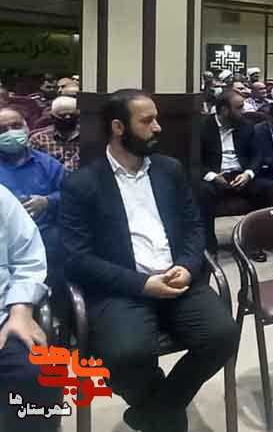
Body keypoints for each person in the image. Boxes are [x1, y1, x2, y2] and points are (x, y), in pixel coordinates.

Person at [60, 89, 239, 432]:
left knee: (223, 336)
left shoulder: (169, 169)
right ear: (118, 127)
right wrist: (142, 284)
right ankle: (164, 414)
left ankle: (156, 412)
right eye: (147, 121)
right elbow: (77, 259)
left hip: (177, 278)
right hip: (123, 288)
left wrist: (187, 266)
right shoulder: (82, 184)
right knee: (124, 356)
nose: (158, 127)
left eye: (156, 119)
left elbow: (194, 228)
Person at [0, 184, 61, 432]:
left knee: (39, 374)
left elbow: (28, 259)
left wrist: (21, 311)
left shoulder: (1, 198)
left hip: (4, 321)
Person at [195, 91, 272, 252]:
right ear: (224, 110)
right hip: (215, 176)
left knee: (271, 188)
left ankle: (256, 242)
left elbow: (257, 155)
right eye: (239, 107)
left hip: (240, 175)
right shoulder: (201, 126)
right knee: (202, 192)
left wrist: (248, 174)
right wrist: (212, 176)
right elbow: (193, 160)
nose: (243, 111)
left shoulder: (246, 125)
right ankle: (209, 246)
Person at [0, 108, 65, 275]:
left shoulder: (47, 164)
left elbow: (71, 194)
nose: (11, 133)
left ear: (27, 127)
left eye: (16, 126)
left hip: (43, 236)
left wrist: (47, 201)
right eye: (2, 130)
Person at [28, 95, 80, 172]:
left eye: (72, 115)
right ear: (52, 117)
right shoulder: (38, 139)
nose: (68, 118)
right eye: (63, 115)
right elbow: (29, 167)